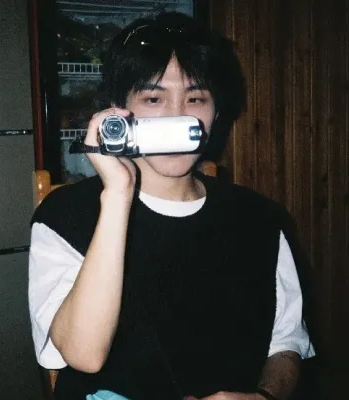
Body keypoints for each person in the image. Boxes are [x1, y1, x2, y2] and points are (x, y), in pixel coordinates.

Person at [28, 11, 315, 400]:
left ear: (216, 112)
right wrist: (118, 194)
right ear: (117, 109)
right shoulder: (63, 216)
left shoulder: (260, 219)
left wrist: (264, 397)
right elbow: (84, 355)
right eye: (153, 98)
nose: (178, 115)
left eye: (196, 98)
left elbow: (287, 344)